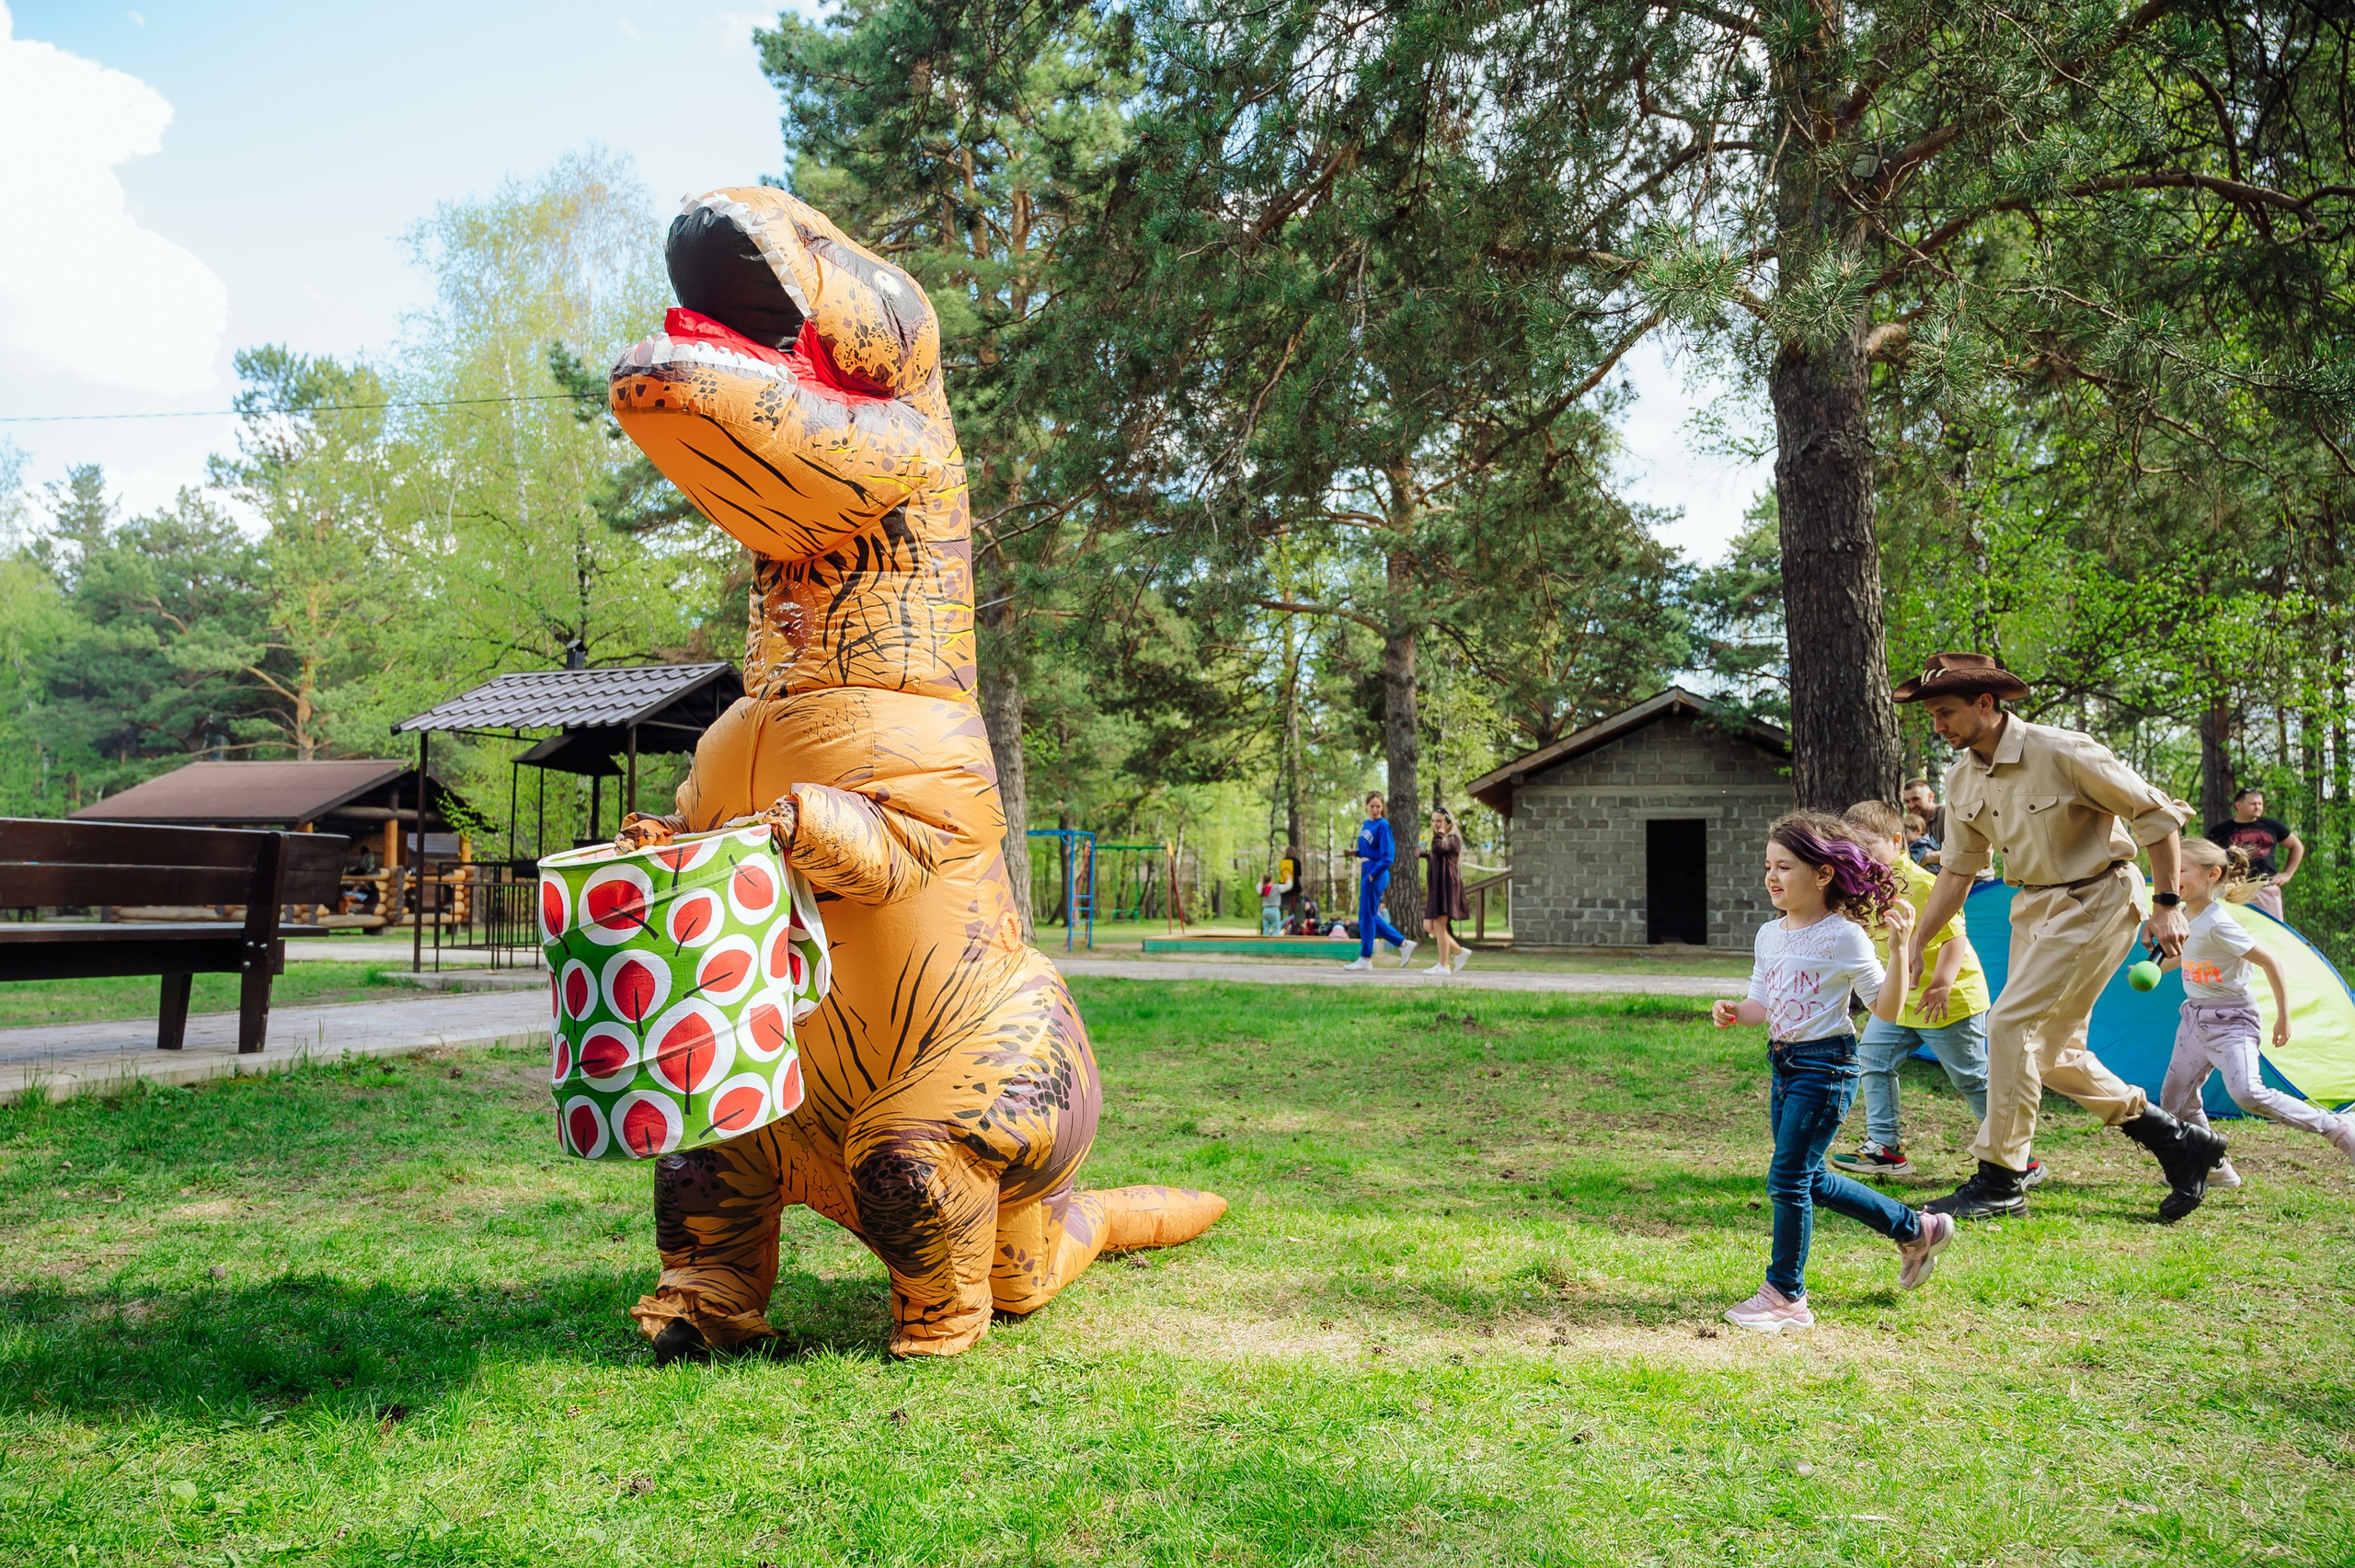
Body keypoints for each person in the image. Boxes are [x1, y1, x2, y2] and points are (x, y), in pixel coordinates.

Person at [1896, 652, 2226, 1223]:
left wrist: (2169, 904)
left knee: (2010, 1026)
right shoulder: (1961, 777)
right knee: (2054, 1054)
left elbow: (2157, 820)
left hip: (2098, 897)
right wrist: (1919, 942)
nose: (1938, 726)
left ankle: (2000, 1178)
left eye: (1946, 712)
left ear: (1985, 703)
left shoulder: (2064, 751)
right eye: (1931, 716)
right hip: (2032, 906)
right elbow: (1958, 869)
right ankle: (2176, 1140)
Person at [1711, 812, 1952, 1333]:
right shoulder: (1768, 934)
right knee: (1809, 1177)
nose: (1772, 878)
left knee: (1789, 1179)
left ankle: (1785, 1296)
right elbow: (1762, 1003)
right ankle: (1917, 1228)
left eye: (1786, 867)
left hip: (1827, 1067)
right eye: (1768, 867)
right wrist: (1735, 1010)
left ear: (1823, 874)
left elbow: (1884, 1009)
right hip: (1785, 1063)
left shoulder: (1843, 936)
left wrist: (1899, 948)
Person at [1829, 799, 2035, 1186]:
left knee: (1971, 1078)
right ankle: (1885, 1149)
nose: (1858, 855)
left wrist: (1940, 985)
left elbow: (1955, 939)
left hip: (1948, 1000)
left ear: (1895, 841)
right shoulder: (1864, 888)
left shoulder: (1924, 884)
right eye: (1851, 848)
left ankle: (2020, 1156)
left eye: (1866, 846)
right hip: (1900, 1000)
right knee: (1873, 1057)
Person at [2158, 839, 2355, 1180]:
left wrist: (2284, 1017)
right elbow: (2190, 955)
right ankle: (2212, 1164)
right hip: (2194, 1018)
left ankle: (2338, 1128)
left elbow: (2271, 961)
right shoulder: (2184, 913)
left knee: (2247, 1093)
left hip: (2231, 1019)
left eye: (2180, 869)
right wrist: (2155, 969)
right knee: (2175, 1100)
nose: (2171, 875)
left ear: (2212, 875)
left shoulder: (2219, 922)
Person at [1341, 791, 1416, 971]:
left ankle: (1366, 958)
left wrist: (1373, 874)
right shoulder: (1367, 824)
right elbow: (1369, 849)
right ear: (1366, 806)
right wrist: (1356, 853)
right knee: (1367, 916)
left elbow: (1388, 856)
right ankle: (1403, 944)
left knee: (1367, 917)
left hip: (1376, 872)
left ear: (1382, 808)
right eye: (1372, 806)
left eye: (1378, 806)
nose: (1375, 809)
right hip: (1367, 869)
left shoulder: (1383, 825)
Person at [2204, 787, 2304, 921]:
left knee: (2272, 932)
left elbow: (2296, 846)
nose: (2257, 807)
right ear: (2238, 805)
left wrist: (2287, 874)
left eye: (2260, 804)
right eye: (2253, 804)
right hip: (2232, 888)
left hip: (2265, 887)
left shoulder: (2272, 826)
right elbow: (2206, 856)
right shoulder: (2220, 830)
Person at [1419, 807, 1473, 975]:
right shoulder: (1442, 838)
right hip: (1438, 887)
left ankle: (1444, 965)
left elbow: (1438, 849)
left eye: (1439, 821)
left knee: (1439, 925)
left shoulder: (1453, 838)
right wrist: (1425, 855)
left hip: (1447, 887)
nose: (1436, 824)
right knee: (1429, 925)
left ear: (1448, 821)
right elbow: (1437, 856)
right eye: (1434, 821)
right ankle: (1458, 951)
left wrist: (1441, 832)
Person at [1901, 777, 1945, 867]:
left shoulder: (1944, 814)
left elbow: (1962, 852)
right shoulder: (1909, 823)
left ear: (1931, 797)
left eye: (1915, 799)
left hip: (1973, 878)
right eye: (1907, 801)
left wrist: (1926, 857)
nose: (1911, 805)